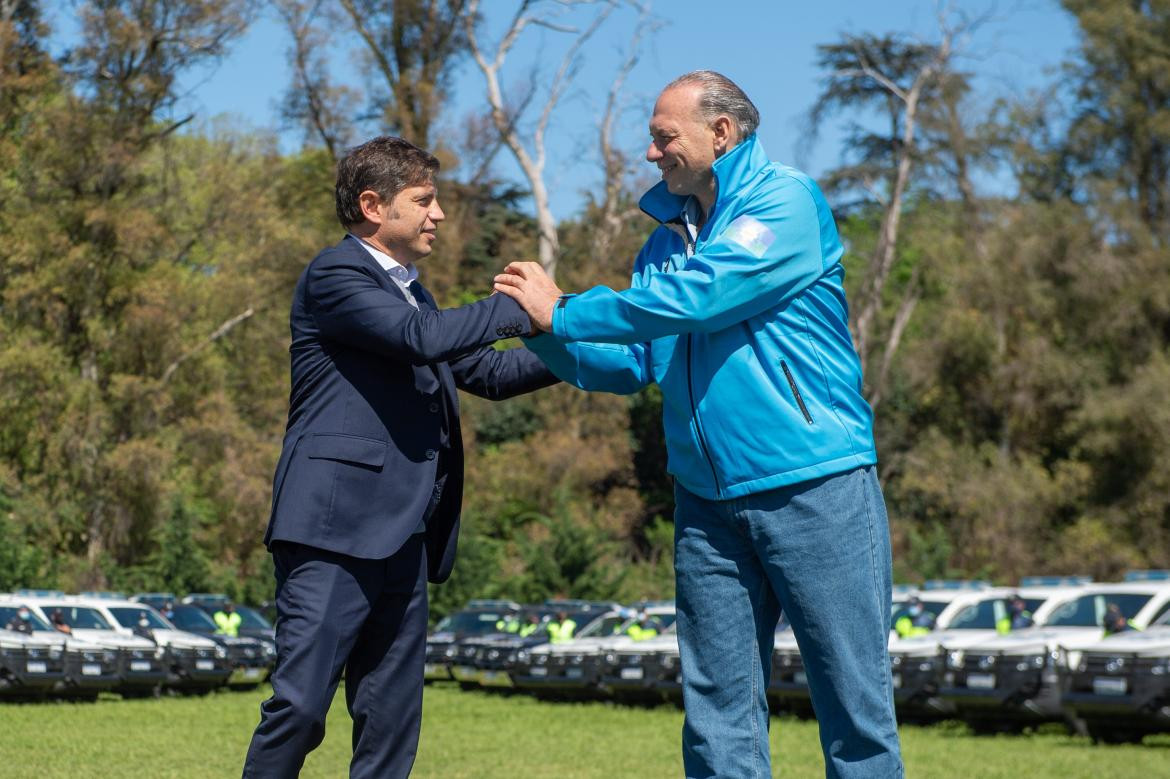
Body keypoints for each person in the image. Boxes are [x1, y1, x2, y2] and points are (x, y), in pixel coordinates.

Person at [494, 71, 903, 778]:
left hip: (816, 488)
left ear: (722, 133)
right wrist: (541, 332)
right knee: (717, 720)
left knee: (854, 714)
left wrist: (562, 307)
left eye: (663, 137)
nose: (651, 154)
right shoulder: (663, 243)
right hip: (706, 507)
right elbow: (632, 364)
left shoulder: (786, 201)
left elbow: (700, 297)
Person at [243, 135, 557, 779]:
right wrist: (518, 307)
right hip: (332, 531)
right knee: (301, 708)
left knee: (390, 723)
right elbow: (420, 341)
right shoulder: (337, 274)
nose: (438, 214)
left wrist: (588, 345)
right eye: (424, 200)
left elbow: (488, 376)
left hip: (406, 534)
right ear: (372, 206)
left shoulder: (416, 293)